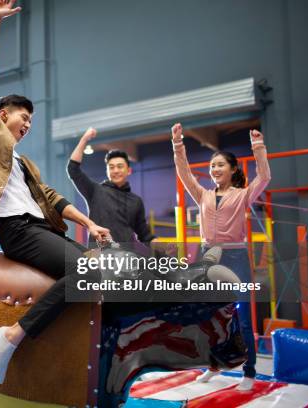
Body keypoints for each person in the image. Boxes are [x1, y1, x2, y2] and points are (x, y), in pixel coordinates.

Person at [0, 0, 111, 385]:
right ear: (2, 114)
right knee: (85, 271)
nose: (27, 124)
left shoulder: (24, 164)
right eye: (22, 117)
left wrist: (90, 223)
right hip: (16, 229)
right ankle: (13, 335)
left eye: (30, 121)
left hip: (42, 228)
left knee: (100, 271)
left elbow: (53, 197)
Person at [171, 122, 271, 391]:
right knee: (209, 317)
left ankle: (249, 372)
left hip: (235, 257)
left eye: (220, 165)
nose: (214, 169)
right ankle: (213, 366)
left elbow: (264, 177)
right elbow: (184, 172)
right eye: (212, 165)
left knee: (243, 319)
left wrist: (258, 146)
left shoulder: (242, 195)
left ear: (233, 169)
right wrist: (178, 144)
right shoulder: (202, 194)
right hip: (209, 257)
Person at [68, 127, 157, 246]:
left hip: (127, 258)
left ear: (129, 170)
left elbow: (145, 236)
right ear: (107, 170)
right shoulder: (95, 191)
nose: (115, 170)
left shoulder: (136, 201)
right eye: (111, 167)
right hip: (99, 256)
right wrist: (84, 139)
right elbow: (73, 169)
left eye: (120, 166)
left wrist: (165, 247)